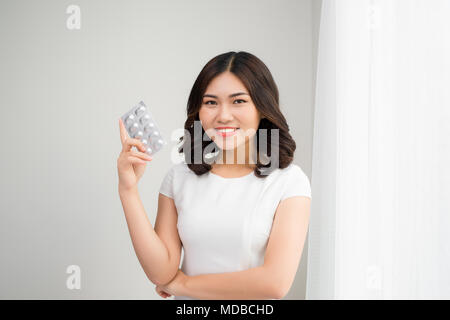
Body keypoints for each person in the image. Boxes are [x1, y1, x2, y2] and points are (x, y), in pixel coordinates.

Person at [117, 51, 311, 300]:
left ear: (263, 107)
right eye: (210, 102)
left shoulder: (289, 182)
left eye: (238, 101)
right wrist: (128, 190)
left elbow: (273, 283)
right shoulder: (179, 178)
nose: (223, 116)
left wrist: (181, 284)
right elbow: (161, 271)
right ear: (198, 110)